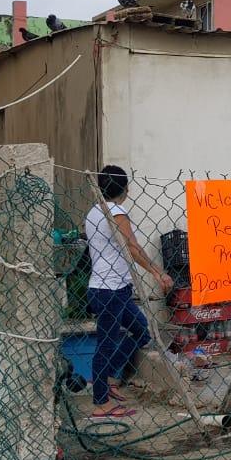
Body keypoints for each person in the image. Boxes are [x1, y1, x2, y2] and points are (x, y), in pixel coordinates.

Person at [85, 166, 172, 420]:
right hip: (110, 289)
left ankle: (110, 378)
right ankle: (101, 402)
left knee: (141, 330)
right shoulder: (116, 212)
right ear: (126, 189)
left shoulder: (94, 212)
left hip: (110, 288)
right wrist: (158, 273)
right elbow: (132, 248)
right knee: (105, 344)